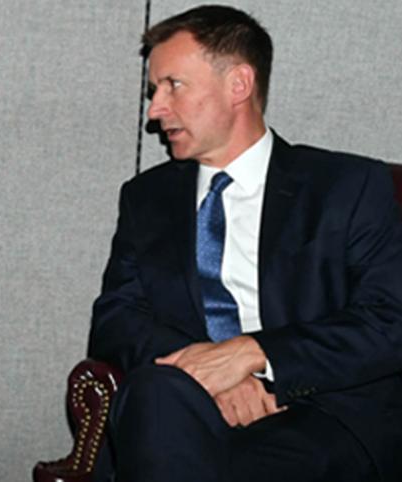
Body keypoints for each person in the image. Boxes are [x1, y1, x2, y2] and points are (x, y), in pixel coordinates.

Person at [88, 5, 402, 482]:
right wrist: (211, 371)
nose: (154, 110)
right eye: (155, 91)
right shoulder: (146, 199)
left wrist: (255, 353)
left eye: (173, 85)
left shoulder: (349, 186)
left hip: (316, 416)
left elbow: (389, 320)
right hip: (179, 411)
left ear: (239, 84)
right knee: (155, 393)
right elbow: (116, 320)